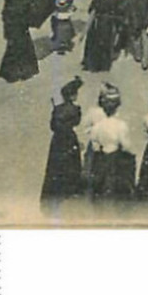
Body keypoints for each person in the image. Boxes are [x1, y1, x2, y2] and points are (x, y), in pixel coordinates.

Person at [86, 84, 137, 209]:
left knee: (102, 190)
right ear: (117, 107)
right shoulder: (121, 125)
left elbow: (95, 146)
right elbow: (126, 146)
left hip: (102, 160)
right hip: (117, 161)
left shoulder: (97, 127)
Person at [40, 78, 86, 213]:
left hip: (57, 140)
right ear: (73, 95)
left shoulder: (58, 109)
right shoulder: (76, 109)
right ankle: (69, 194)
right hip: (70, 139)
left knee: (55, 167)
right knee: (71, 166)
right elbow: (76, 123)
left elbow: (53, 126)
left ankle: (54, 196)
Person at [0, 0, 41, 84]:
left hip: (12, 32)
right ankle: (25, 72)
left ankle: (12, 74)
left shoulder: (8, 6)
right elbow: (30, 19)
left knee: (13, 51)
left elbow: (5, 19)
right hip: (23, 32)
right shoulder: (24, 4)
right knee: (25, 51)